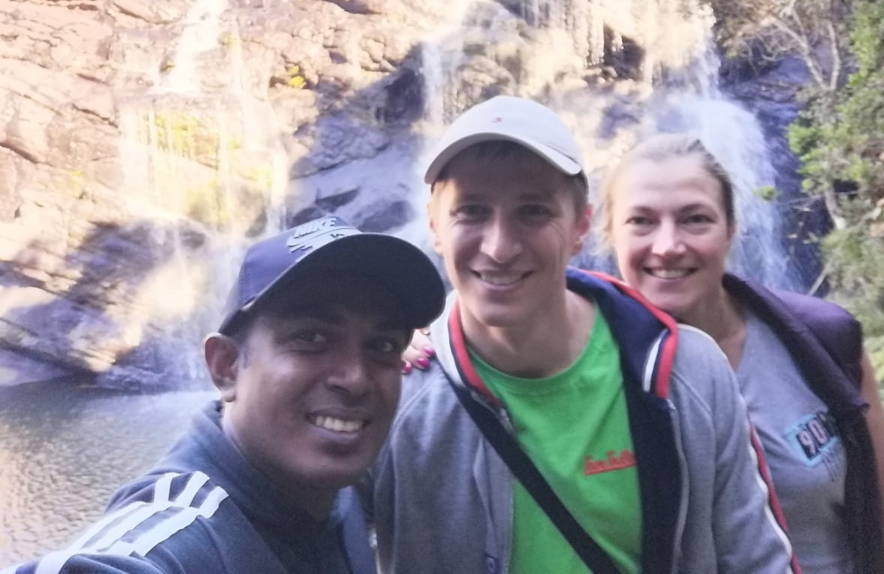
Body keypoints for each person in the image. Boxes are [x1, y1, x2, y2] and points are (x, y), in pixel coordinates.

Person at [360, 95, 797, 574]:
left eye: (532, 211)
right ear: (434, 226)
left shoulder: (689, 371)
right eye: (472, 211)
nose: (499, 247)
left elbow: (756, 559)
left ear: (581, 226)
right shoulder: (393, 392)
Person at [3, 216, 446, 574]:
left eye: (382, 345)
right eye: (311, 337)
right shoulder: (185, 534)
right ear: (226, 367)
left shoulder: (331, 490)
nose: (355, 378)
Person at [599, 133, 884, 574]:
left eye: (695, 219)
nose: (668, 246)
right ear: (608, 233)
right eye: (641, 221)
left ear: (731, 229)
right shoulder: (583, 373)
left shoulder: (821, 341)